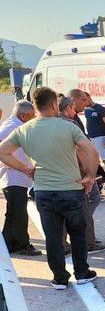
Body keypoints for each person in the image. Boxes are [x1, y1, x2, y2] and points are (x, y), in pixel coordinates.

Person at [0, 87, 100, 289]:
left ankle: (60, 278)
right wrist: (90, 176)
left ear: (35, 106)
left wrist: (25, 168)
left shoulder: (24, 129)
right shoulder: (68, 127)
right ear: (54, 104)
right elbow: (91, 151)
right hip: (71, 189)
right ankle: (82, 273)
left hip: (43, 191)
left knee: (53, 236)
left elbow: (2, 152)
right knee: (78, 233)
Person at [66, 90, 105, 254]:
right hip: (81, 170)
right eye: (83, 100)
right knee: (87, 203)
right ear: (73, 102)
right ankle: (86, 238)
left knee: (92, 201)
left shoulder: (74, 118)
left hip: (82, 169)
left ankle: (85, 235)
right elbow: (80, 149)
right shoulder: (69, 121)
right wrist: (89, 172)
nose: (86, 103)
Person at [0, 101, 41, 256]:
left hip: (18, 175)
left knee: (13, 213)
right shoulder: (11, 126)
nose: (33, 118)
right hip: (13, 175)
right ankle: (22, 245)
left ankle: (7, 243)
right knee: (19, 213)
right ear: (23, 116)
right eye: (31, 116)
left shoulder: (16, 124)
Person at [84, 92, 105, 189]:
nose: (84, 102)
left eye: (84, 100)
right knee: (93, 160)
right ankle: (97, 181)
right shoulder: (86, 110)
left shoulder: (100, 109)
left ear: (88, 97)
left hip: (101, 137)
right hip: (91, 138)